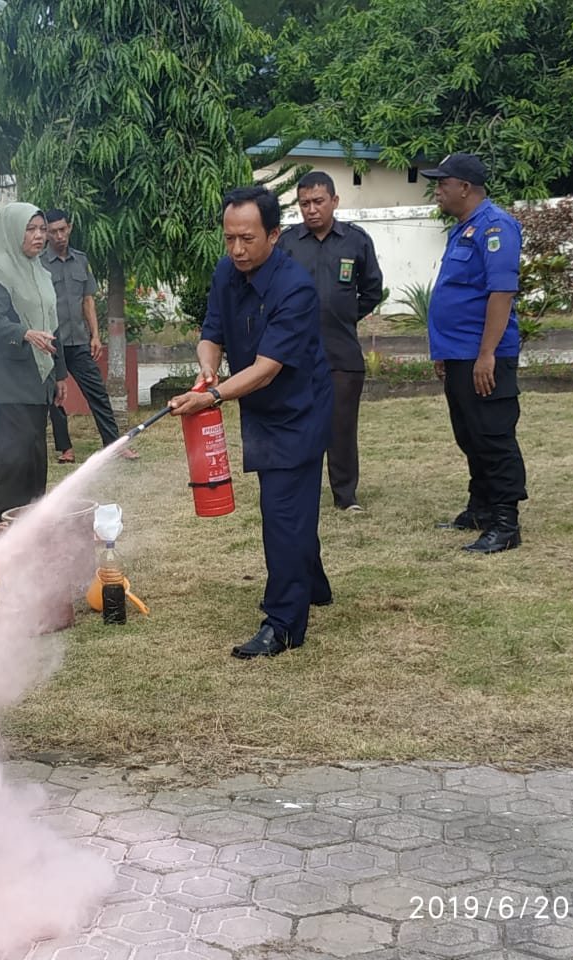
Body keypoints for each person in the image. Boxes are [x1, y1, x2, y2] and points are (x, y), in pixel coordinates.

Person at [169, 186, 333, 659]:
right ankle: (313, 585)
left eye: (247, 239)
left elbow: (267, 368)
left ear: (274, 235)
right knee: (291, 509)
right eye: (228, 239)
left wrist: (214, 396)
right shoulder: (227, 271)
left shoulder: (295, 289)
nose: (237, 250)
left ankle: (282, 623)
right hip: (258, 405)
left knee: (282, 511)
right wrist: (207, 368)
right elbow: (211, 332)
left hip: (299, 410)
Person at [422, 153, 526, 553]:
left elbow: (501, 293)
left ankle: (505, 521)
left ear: (464, 187)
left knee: (493, 435)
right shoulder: (462, 229)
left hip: (484, 356)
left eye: (442, 183)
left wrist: (487, 355)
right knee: (469, 433)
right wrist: (443, 351)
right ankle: (480, 507)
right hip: (459, 354)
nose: (437, 190)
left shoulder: (495, 226)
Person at [277, 171, 383, 512]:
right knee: (297, 426)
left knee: (341, 428)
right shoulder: (287, 243)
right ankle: (296, 493)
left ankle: (345, 497)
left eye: (318, 202)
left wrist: (344, 313)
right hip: (295, 355)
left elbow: (371, 290)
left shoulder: (356, 241)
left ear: (334, 201)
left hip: (341, 352)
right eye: (304, 203)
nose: (311, 210)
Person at [0, 202, 69, 528]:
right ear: (13, 231)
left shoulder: (40, 272)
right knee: (10, 448)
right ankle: (1, 514)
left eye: (42, 229)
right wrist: (24, 333)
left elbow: (53, 327)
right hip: (5, 377)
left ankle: (30, 512)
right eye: (31, 229)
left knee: (33, 447)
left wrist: (60, 375)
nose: (40, 236)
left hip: (36, 374)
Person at [42, 209, 138, 463]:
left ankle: (114, 444)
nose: (59, 235)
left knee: (97, 392)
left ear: (70, 227)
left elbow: (88, 301)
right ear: (47, 233)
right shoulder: (39, 263)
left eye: (63, 229)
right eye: (53, 231)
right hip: (52, 343)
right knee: (56, 397)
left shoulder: (80, 260)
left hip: (79, 341)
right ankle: (65, 449)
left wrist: (95, 335)